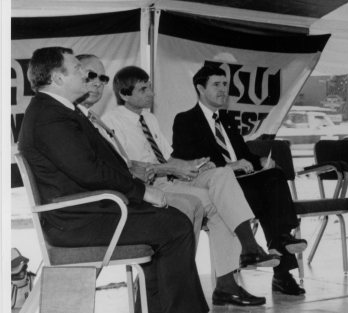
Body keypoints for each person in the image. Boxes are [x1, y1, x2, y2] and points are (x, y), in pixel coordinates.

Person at [18, 47, 209, 313]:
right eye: (77, 69)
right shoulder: (51, 117)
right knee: (175, 226)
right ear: (57, 78)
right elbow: (90, 171)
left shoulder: (58, 111)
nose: (85, 74)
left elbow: (101, 165)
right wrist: (142, 192)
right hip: (79, 221)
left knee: (170, 222)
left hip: (89, 212)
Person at [102, 65, 279, 306]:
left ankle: (246, 252)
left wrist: (196, 163)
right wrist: (172, 168)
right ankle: (229, 276)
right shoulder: (111, 121)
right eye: (144, 89)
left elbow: (169, 157)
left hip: (171, 179)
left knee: (220, 174)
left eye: (150, 87)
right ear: (124, 94)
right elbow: (126, 166)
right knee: (215, 204)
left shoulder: (149, 118)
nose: (151, 93)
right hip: (149, 188)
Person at [171, 65, 308, 296]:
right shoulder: (185, 120)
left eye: (225, 84)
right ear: (200, 88)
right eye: (216, 84)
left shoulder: (227, 118)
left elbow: (243, 155)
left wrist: (261, 160)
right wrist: (226, 166)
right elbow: (189, 159)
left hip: (245, 184)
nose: (223, 90)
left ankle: (281, 240)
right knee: (267, 201)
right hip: (220, 188)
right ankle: (282, 272)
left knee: (274, 176)